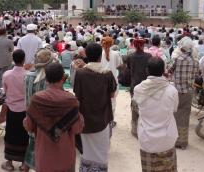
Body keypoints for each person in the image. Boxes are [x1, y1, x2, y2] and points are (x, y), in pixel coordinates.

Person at [24, 62, 84, 172]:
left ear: (46, 79)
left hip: (44, 157)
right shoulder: (71, 100)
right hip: (65, 157)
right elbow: (77, 129)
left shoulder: (36, 100)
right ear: (62, 78)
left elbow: (28, 126)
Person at [74, 43, 117, 171]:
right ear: (100, 56)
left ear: (86, 55)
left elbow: (77, 96)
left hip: (85, 119)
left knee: (86, 151)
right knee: (101, 151)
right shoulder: (107, 74)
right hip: (103, 118)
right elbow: (112, 94)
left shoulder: (80, 74)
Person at [133, 57, 179, 172]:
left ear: (147, 70)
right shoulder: (172, 90)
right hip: (167, 139)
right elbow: (174, 109)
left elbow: (137, 107)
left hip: (147, 139)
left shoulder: (138, 89)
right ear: (163, 70)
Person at [23, 48, 55, 171]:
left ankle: (26, 167)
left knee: (32, 144)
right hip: (46, 122)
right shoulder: (50, 80)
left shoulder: (27, 77)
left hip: (30, 118)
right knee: (42, 149)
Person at [168, 39, 199, 149]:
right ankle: (182, 142)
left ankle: (173, 140)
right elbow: (196, 73)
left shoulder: (177, 58)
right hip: (188, 91)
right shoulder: (195, 61)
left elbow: (169, 70)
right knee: (185, 115)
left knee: (174, 114)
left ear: (181, 48)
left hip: (176, 90)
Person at [1, 49, 29, 171]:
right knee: (24, 135)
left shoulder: (6, 75)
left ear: (13, 59)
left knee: (11, 135)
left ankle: (9, 162)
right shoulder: (28, 75)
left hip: (12, 110)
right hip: (24, 110)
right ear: (24, 60)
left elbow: (5, 92)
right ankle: (24, 163)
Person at [127, 38, 152, 137]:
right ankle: (145, 128)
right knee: (146, 107)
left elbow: (129, 68)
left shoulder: (130, 56)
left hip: (134, 84)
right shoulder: (148, 56)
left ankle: (135, 130)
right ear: (142, 46)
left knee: (134, 107)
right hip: (146, 85)